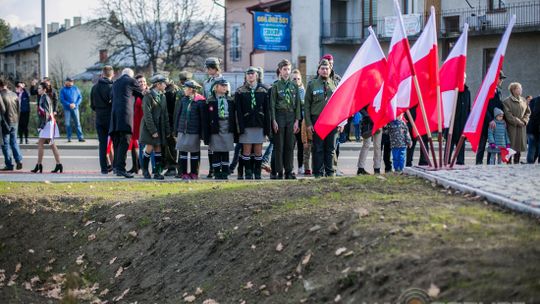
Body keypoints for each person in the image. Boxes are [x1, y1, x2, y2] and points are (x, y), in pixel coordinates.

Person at [305, 59, 341, 178]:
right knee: (318, 148)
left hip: (332, 121)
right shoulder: (312, 84)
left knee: (330, 148)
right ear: (318, 70)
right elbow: (307, 105)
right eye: (322, 68)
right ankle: (318, 173)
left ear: (330, 70)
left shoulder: (335, 84)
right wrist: (309, 124)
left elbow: (340, 105)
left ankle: (330, 172)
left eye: (327, 68)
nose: (325, 70)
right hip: (317, 119)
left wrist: (341, 122)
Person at [235, 67, 271, 180]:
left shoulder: (264, 91)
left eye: (253, 73)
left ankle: (257, 173)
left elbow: (267, 110)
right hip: (246, 125)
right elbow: (238, 111)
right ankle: (248, 173)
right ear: (245, 76)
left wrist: (267, 127)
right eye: (248, 74)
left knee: (258, 150)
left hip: (259, 124)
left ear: (257, 76)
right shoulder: (240, 91)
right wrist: (240, 127)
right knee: (246, 150)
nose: (250, 76)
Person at [109, 68, 143, 178]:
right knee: (125, 142)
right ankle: (121, 169)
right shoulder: (132, 81)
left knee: (118, 143)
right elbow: (142, 94)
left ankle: (117, 168)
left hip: (114, 118)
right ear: (131, 75)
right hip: (125, 117)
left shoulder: (115, 83)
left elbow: (111, 97)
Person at [270, 59, 301, 179]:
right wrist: (274, 120)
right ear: (280, 70)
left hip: (291, 116)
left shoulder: (294, 85)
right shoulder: (276, 86)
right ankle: (279, 171)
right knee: (279, 146)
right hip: (280, 116)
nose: (287, 72)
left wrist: (297, 121)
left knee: (289, 146)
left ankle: (289, 171)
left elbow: (298, 103)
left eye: (288, 69)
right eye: (284, 69)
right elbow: (272, 105)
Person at [139, 75, 171, 180]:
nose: (165, 85)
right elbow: (147, 115)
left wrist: (167, 130)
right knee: (149, 147)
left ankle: (157, 172)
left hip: (160, 127)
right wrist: (153, 130)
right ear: (158, 84)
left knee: (158, 148)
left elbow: (165, 114)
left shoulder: (163, 96)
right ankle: (145, 170)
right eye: (163, 83)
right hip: (150, 128)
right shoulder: (148, 96)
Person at [175, 80, 207, 180]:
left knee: (194, 153)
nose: (184, 90)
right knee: (183, 153)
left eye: (186, 88)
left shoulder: (200, 101)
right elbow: (178, 115)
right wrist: (176, 129)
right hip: (182, 131)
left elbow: (203, 119)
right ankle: (184, 172)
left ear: (192, 90)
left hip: (194, 131)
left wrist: (202, 133)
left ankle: (194, 173)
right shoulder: (183, 100)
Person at [206, 79, 237, 180]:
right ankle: (216, 172)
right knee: (216, 150)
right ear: (216, 87)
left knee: (225, 150)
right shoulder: (210, 100)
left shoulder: (230, 99)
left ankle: (225, 171)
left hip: (227, 126)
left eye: (225, 85)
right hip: (216, 127)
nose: (225, 87)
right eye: (222, 85)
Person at [31, 82, 62, 173]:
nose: (38, 90)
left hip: (47, 123)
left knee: (42, 143)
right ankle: (58, 164)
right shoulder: (43, 97)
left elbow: (46, 114)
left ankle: (39, 165)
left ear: (44, 90)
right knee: (51, 144)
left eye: (40, 88)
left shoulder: (45, 98)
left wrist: (42, 125)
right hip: (48, 123)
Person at [477, 71, 506, 164]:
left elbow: (501, 108)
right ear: (496, 78)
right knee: (482, 145)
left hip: (496, 123)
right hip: (485, 123)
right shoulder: (487, 90)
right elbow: (483, 107)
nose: (502, 80)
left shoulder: (499, 92)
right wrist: (490, 120)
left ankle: (490, 164)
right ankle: (478, 163)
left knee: (492, 145)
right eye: (500, 78)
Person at [91, 65, 115, 174]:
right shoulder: (112, 87)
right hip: (110, 117)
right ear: (112, 74)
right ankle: (116, 166)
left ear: (102, 74)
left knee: (102, 144)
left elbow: (92, 105)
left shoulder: (94, 87)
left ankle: (104, 168)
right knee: (115, 142)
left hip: (99, 117)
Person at [203, 57, 223, 179]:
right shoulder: (206, 83)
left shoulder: (223, 81)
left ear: (213, 68)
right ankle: (212, 168)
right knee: (210, 142)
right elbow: (205, 99)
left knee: (220, 142)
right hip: (208, 114)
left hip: (219, 115)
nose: (206, 70)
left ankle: (220, 167)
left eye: (207, 68)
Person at [502, 82, 530, 164]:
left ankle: (517, 163)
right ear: (513, 90)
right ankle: (509, 163)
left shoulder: (523, 100)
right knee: (511, 146)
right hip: (512, 128)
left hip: (522, 127)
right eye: (519, 88)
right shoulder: (507, 101)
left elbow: (528, 112)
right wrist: (518, 121)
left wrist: (525, 121)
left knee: (519, 147)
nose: (521, 90)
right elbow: (508, 115)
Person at [0, 79, 23, 170]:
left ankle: (9, 164)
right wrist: (17, 119)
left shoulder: (1, 95)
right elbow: (18, 109)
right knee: (13, 142)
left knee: (5, 144)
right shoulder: (14, 94)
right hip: (15, 121)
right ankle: (19, 160)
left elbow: (3, 109)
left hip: (5, 122)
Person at [447, 82, 471, 165]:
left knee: (461, 143)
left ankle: (460, 161)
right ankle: (447, 160)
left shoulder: (467, 92)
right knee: (450, 143)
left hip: (463, 122)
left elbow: (468, 108)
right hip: (452, 122)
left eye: (464, 78)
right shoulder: (453, 90)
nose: (463, 80)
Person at [127, 74, 148, 174]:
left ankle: (144, 168)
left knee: (145, 148)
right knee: (135, 147)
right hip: (135, 124)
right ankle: (136, 166)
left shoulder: (148, 93)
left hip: (145, 124)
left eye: (143, 81)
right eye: (140, 82)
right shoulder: (134, 93)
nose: (142, 83)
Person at [356, 107, 382, 175]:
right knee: (367, 145)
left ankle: (377, 168)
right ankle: (360, 168)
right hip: (368, 122)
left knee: (377, 146)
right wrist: (368, 116)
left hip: (378, 120)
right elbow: (360, 107)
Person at [59, 77, 85, 142]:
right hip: (67, 109)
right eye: (69, 81)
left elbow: (80, 97)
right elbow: (62, 100)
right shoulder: (63, 90)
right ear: (66, 82)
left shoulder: (75, 88)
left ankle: (80, 137)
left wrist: (75, 104)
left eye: (72, 81)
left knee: (77, 123)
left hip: (75, 108)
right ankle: (69, 137)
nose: (71, 83)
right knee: (68, 124)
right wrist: (69, 104)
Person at [291, 69, 305, 175]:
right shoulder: (289, 91)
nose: (296, 80)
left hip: (301, 121)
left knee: (301, 145)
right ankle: (289, 167)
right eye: (294, 79)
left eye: (298, 79)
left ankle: (301, 166)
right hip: (290, 120)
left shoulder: (304, 91)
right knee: (290, 146)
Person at [526, 96, 540, 163]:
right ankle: (531, 163)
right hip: (534, 128)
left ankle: (530, 163)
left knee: (532, 148)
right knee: (532, 148)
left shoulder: (533, 100)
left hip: (531, 128)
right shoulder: (536, 100)